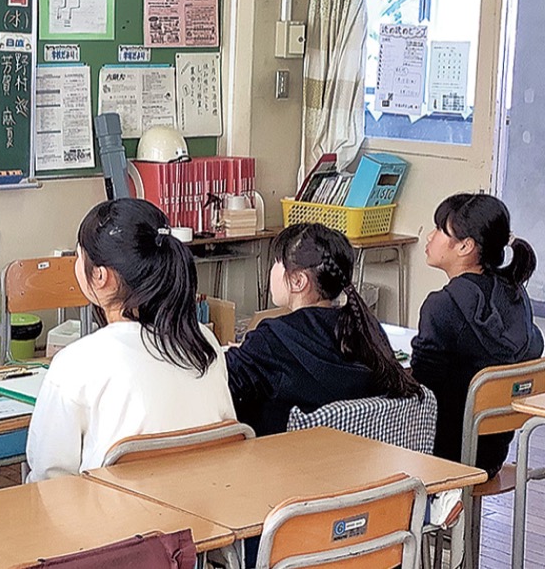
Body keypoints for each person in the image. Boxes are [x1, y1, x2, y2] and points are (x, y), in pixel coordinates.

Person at [25, 199, 235, 482]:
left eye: (79, 256)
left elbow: (48, 479)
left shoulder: (77, 363)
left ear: (100, 276)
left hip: (115, 525)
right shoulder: (205, 341)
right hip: (206, 519)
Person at [225, 223, 422, 437]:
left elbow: (224, 384)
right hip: (357, 463)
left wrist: (242, 352)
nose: (271, 269)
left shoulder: (272, 339)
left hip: (284, 464)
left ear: (298, 281)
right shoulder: (367, 330)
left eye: (276, 262)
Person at [412, 193, 543, 475]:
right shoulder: (515, 294)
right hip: (491, 454)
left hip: (443, 454)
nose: (430, 236)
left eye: (439, 230)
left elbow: (421, 390)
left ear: (465, 246)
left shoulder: (442, 305)